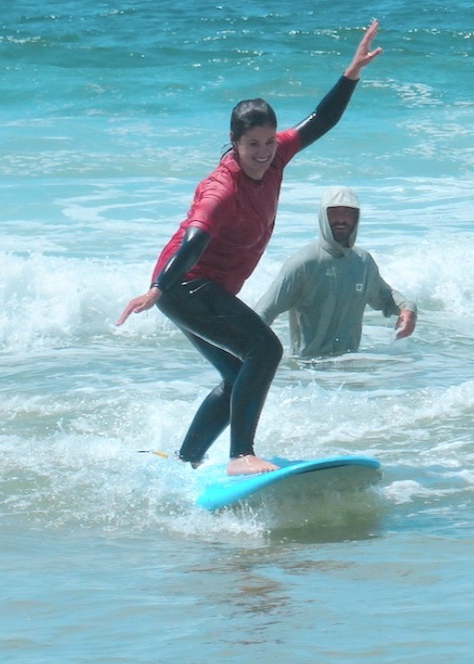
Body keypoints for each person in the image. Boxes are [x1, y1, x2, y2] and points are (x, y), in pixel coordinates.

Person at [116, 21, 383, 476]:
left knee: (238, 373)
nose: (263, 152)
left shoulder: (277, 155)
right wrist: (158, 289)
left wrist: (351, 74)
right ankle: (240, 455)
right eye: (252, 144)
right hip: (185, 284)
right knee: (265, 350)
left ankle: (186, 461)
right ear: (234, 143)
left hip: (199, 288)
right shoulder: (222, 189)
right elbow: (194, 240)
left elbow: (321, 121)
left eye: (268, 141)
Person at [256, 185, 417, 358]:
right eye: (334, 213)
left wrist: (408, 310)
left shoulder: (363, 263)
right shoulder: (304, 262)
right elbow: (263, 313)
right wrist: (251, 359)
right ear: (322, 216)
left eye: (348, 213)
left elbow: (386, 298)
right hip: (308, 368)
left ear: (356, 217)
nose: (341, 219)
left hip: (351, 365)